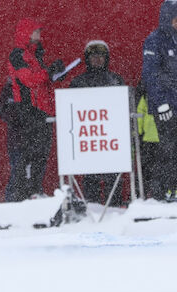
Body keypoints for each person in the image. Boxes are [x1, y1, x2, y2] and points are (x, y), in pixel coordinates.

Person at [142, 0, 177, 202]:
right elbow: (150, 74)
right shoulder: (154, 40)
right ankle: (159, 193)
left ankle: (172, 190)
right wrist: (160, 103)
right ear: (166, 19)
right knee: (166, 149)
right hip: (166, 107)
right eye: (174, 19)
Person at [3, 18, 64, 202]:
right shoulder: (18, 55)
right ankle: (21, 194)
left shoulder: (35, 54)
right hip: (28, 110)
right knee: (28, 153)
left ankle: (34, 189)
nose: (39, 35)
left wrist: (56, 73)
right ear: (27, 33)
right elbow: (29, 80)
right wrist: (49, 72)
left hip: (42, 111)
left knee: (41, 152)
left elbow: (40, 82)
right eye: (36, 31)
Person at [69, 40, 125, 206]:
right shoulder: (78, 83)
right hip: (89, 140)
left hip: (110, 139)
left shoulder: (116, 80)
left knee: (113, 176)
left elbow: (123, 106)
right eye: (93, 56)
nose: (97, 60)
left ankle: (114, 209)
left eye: (101, 56)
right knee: (90, 177)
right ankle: (91, 210)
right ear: (87, 59)